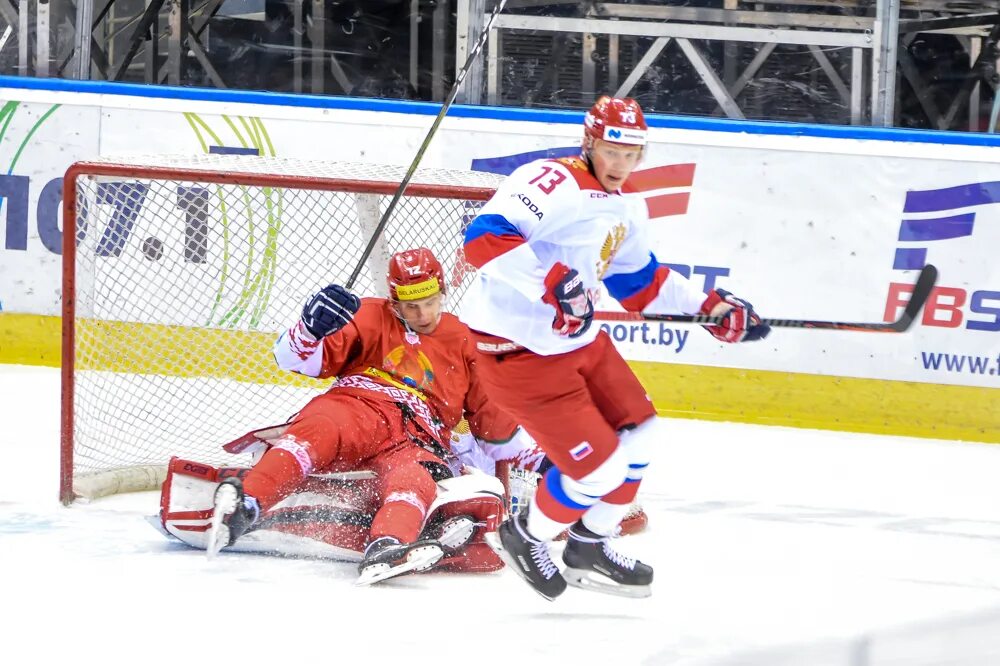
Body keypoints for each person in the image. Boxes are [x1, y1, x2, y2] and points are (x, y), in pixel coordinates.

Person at [460, 95, 771, 600]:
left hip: (580, 344)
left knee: (642, 434)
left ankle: (589, 545)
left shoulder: (628, 205)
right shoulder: (551, 180)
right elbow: (483, 238)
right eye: (611, 151)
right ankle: (526, 536)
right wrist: (554, 282)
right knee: (599, 468)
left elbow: (639, 281)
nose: (620, 165)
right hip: (518, 351)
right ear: (589, 143)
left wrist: (710, 307)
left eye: (632, 154)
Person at [206, 247, 527, 585]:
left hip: (417, 434)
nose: (422, 314)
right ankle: (246, 502)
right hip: (356, 403)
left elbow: (492, 418)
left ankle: (388, 543)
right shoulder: (367, 314)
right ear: (394, 301)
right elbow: (303, 361)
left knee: (415, 478)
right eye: (411, 306)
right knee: (320, 429)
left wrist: (534, 454)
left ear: (443, 291)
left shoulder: (464, 338)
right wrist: (309, 332)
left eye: (430, 302)